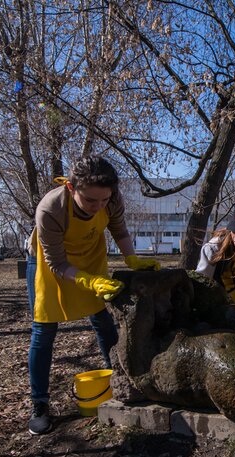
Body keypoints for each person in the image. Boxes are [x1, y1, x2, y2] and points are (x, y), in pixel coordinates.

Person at [25, 155, 160, 435]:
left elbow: (118, 228)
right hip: (50, 266)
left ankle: (119, 378)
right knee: (44, 330)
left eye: (104, 200)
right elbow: (57, 263)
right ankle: (39, 403)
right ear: (72, 189)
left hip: (89, 257)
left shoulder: (111, 199)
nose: (99, 206)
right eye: (90, 201)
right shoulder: (50, 209)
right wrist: (87, 281)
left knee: (102, 319)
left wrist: (131, 259)